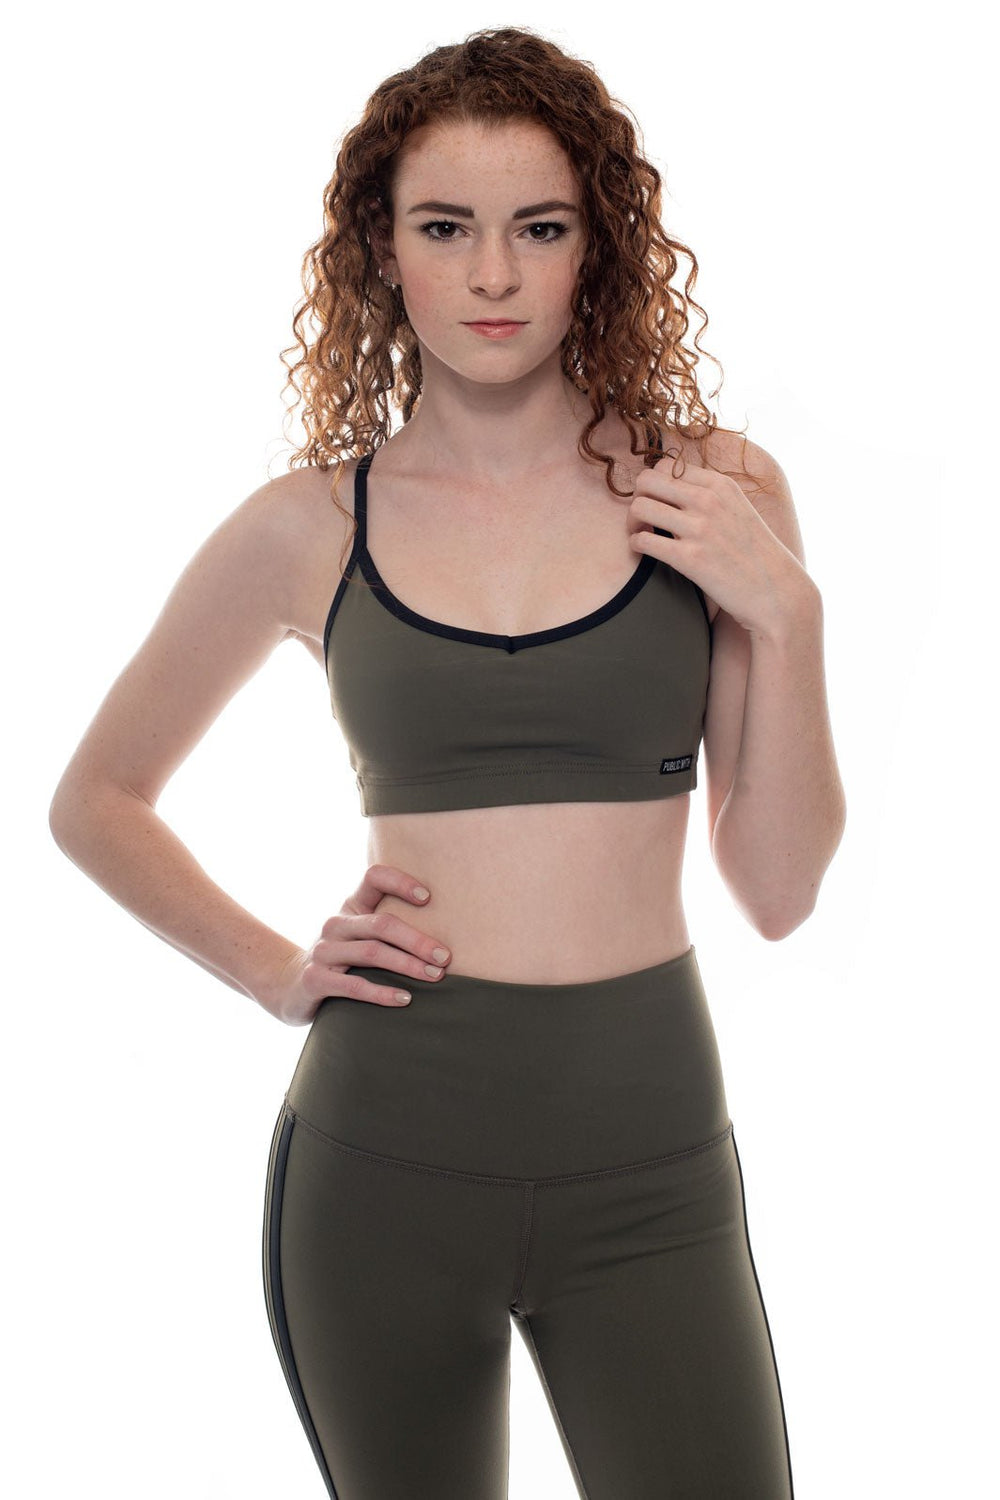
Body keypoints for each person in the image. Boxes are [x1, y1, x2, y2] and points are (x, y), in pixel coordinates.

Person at [48, 24, 846, 1500]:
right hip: (383, 1163)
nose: (492, 275)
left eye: (539, 228)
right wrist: (275, 969)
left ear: (597, 248)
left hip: (651, 1161)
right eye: (444, 228)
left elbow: (780, 890)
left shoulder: (713, 491)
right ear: (382, 250)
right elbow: (95, 800)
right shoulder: (306, 528)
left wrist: (787, 615)